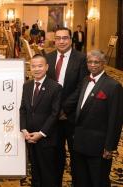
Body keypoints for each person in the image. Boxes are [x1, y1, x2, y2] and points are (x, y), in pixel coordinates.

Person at [64, 50, 123, 187]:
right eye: (90, 62)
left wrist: (110, 147)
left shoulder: (113, 86)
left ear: (104, 64)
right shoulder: (85, 80)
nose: (93, 65)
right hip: (79, 142)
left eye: (96, 62)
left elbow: (115, 120)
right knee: (80, 179)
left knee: (98, 181)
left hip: (99, 146)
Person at [45, 27, 89, 186]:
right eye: (58, 38)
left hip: (71, 116)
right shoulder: (48, 58)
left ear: (71, 40)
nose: (61, 41)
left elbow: (81, 87)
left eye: (65, 38)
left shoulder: (81, 58)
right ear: (54, 40)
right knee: (55, 156)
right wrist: (54, 111)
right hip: (52, 117)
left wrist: (63, 109)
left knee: (76, 156)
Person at [20, 55, 62, 187]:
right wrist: (24, 129)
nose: (36, 69)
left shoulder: (55, 87)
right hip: (30, 137)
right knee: (35, 172)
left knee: (48, 174)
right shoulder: (26, 86)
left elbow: (55, 114)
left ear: (47, 67)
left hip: (46, 139)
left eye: (40, 66)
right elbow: (23, 109)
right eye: (33, 66)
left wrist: (41, 133)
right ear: (29, 68)